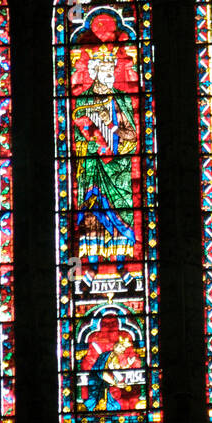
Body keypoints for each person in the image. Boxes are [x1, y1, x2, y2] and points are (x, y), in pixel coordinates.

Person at [73, 46, 137, 266]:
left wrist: (113, 129)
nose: (110, 75)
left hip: (118, 168)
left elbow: (133, 135)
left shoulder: (122, 100)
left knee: (121, 213)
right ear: (95, 72)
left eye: (112, 70)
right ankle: (91, 265)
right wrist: (90, 145)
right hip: (92, 168)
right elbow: (75, 136)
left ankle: (121, 264)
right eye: (105, 71)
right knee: (92, 214)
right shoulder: (83, 101)